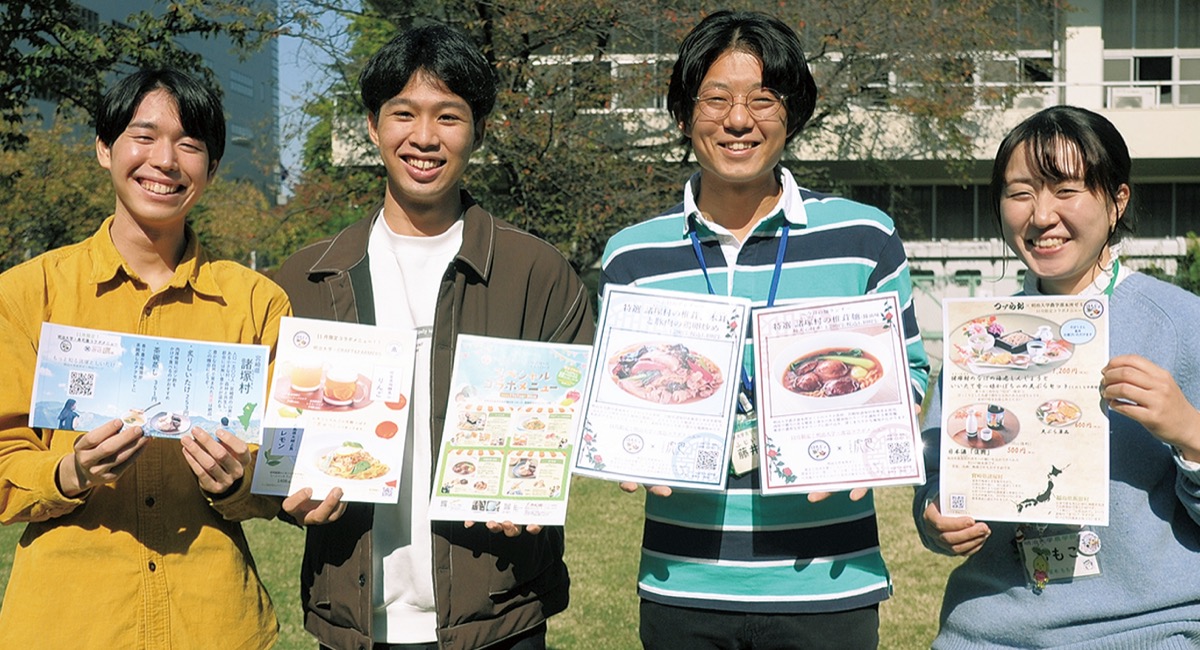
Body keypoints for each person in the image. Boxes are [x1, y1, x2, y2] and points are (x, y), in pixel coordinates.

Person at [599, 11, 930, 650]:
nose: (738, 120)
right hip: (683, 581)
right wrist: (621, 437)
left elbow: (912, 371)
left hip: (829, 582)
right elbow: (618, 385)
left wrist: (874, 429)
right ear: (683, 113)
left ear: (792, 112)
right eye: (715, 99)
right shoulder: (633, 255)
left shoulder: (864, 237)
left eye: (762, 99)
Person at [273, 23, 594, 650]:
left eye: (448, 116)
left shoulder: (536, 272)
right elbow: (273, 440)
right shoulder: (306, 279)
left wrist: (532, 488)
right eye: (403, 114)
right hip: (351, 621)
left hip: (499, 616)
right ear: (373, 126)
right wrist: (284, 487)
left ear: (478, 129)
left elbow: (577, 422)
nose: (424, 137)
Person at [0, 69, 289, 648]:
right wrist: (69, 472)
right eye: (144, 136)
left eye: (190, 144)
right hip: (69, 626)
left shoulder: (257, 303)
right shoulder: (29, 293)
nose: (165, 160)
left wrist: (239, 482)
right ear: (104, 148)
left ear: (211, 168)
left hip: (213, 625)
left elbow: (282, 473)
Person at [914, 105, 1200, 646]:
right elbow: (936, 478)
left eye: (1066, 190)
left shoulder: (1181, 323)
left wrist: (1191, 433)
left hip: (1147, 629)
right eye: (1020, 193)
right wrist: (936, 516)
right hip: (989, 630)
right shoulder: (981, 336)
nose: (1042, 215)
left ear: (1117, 201)